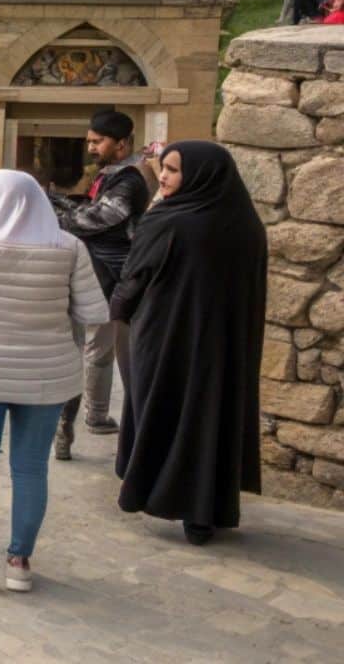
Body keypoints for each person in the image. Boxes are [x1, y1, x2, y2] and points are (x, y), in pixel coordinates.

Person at [0, 170, 108, 593]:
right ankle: (20, 561)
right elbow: (95, 314)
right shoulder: (69, 247)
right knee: (31, 468)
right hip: (46, 376)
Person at [110, 141, 267, 546]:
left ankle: (154, 490)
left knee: (161, 412)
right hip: (225, 346)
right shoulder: (247, 225)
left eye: (173, 170)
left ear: (198, 174)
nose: (162, 177)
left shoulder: (169, 221)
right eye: (163, 168)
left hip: (167, 340)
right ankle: (203, 514)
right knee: (211, 418)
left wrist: (118, 313)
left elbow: (134, 279)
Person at [46, 109, 151, 458]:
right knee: (89, 351)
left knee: (99, 352)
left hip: (112, 276)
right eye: (89, 141)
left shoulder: (130, 179)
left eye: (98, 141)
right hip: (93, 270)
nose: (91, 147)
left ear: (121, 145)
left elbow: (99, 217)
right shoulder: (113, 175)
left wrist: (57, 214)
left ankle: (91, 418)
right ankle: (82, 421)